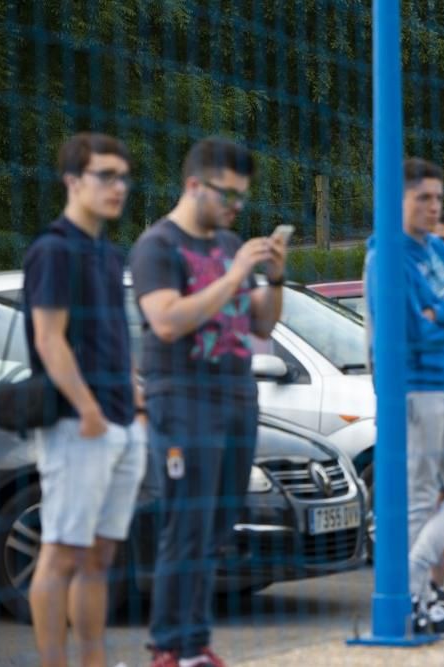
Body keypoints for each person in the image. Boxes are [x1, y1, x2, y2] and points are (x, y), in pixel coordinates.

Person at [130, 138, 286, 667]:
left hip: (237, 392)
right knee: (186, 523)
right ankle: (169, 647)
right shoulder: (158, 246)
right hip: (184, 395)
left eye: (242, 198)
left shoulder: (227, 244)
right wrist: (237, 273)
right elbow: (168, 319)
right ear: (194, 185)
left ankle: (195, 643)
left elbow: (261, 322)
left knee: (218, 524)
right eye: (227, 195)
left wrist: (275, 278)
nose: (234, 207)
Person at [24, 132, 147, 667]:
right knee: (61, 554)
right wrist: (90, 408)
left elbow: (111, 338)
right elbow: (49, 339)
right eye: (105, 175)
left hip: (122, 424)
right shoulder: (52, 250)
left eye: (123, 176)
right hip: (78, 425)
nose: (118, 187)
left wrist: (134, 396)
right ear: (73, 180)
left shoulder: (106, 251)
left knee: (100, 556)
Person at [363, 157, 444, 639]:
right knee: (416, 499)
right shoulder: (386, 257)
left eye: (438, 198)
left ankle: (413, 584)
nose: (435, 207)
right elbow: (412, 327)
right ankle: (414, 596)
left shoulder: (438, 249)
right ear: (396, 201)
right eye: (423, 199)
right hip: (415, 392)